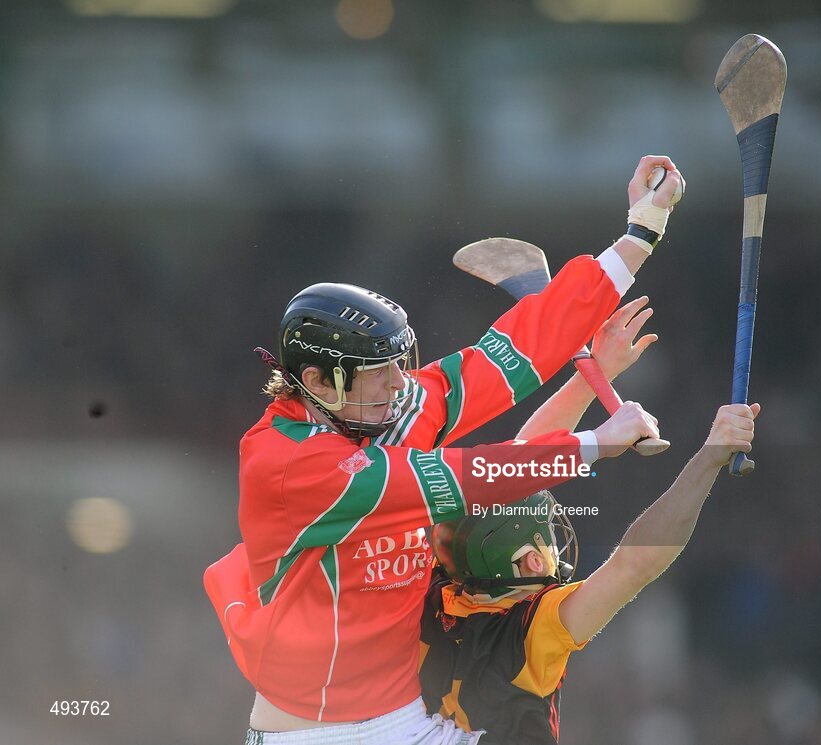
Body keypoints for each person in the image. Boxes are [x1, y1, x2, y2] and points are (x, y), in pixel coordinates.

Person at [203, 156, 685, 745]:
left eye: (398, 365)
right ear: (318, 379)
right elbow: (457, 479)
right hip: (313, 736)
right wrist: (589, 445)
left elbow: (510, 352)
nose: (400, 385)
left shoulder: (379, 408)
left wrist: (640, 231)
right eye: (377, 372)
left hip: (407, 721)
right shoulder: (285, 465)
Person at [418, 304, 760, 743]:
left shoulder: (432, 591)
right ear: (524, 562)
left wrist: (590, 377)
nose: (554, 548)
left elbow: (520, 461)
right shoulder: (531, 632)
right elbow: (633, 566)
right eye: (544, 538)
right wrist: (709, 457)